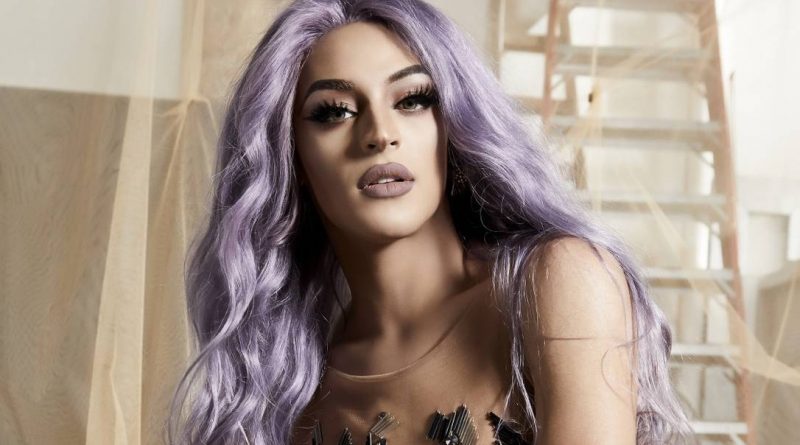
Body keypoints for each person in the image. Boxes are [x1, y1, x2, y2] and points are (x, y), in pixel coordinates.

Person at [167, 0, 694, 444]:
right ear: (293, 157)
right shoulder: (287, 396)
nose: (380, 133)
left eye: (413, 100)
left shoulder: (557, 281)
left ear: (453, 125)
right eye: (334, 111)